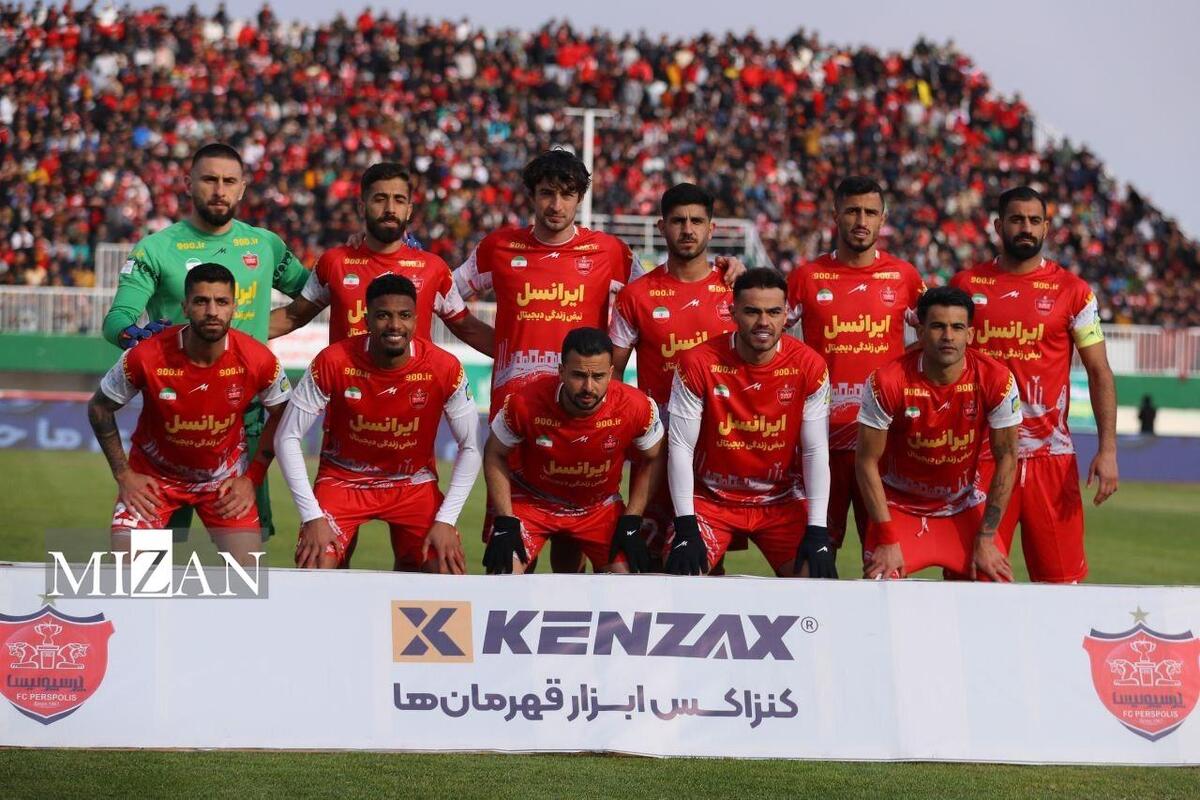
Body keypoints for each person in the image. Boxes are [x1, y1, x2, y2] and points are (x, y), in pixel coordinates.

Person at [101, 142, 310, 538]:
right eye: (209, 179)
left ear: (243, 188)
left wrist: (267, 328)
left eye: (229, 181)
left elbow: (314, 291)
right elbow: (118, 319)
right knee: (152, 552)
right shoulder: (156, 249)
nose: (219, 190)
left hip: (244, 415)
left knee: (244, 554)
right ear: (188, 183)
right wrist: (133, 336)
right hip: (174, 416)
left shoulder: (265, 245)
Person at [950, 186, 1118, 583]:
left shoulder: (1074, 292)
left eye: (1034, 220)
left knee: (1062, 586)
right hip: (981, 456)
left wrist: (1108, 449)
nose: (1025, 228)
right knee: (974, 583)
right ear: (998, 226)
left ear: (1046, 227)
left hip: (1050, 459)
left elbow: (1099, 371)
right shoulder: (966, 285)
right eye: (1016, 219)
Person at [273, 274, 480, 572]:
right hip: (343, 480)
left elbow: (471, 446)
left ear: (416, 319)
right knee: (316, 565)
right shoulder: (333, 361)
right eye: (383, 315)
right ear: (366, 319)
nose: (395, 325)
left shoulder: (444, 367)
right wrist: (312, 516)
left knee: (446, 569)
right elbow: (287, 437)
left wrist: (446, 520)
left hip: (412, 484)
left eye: (404, 315)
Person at [87, 264, 290, 564]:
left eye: (221, 301)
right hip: (153, 481)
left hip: (223, 483)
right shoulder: (146, 354)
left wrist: (252, 478)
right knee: (130, 573)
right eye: (201, 301)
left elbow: (284, 413)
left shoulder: (258, 358)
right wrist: (124, 475)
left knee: (248, 574)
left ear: (234, 307)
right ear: (185, 306)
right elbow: (99, 407)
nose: (212, 311)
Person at [786, 176, 926, 554]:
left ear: (883, 219)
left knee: (885, 558)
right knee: (814, 558)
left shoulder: (905, 277)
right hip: (820, 443)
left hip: (882, 444)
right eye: (852, 211)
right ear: (836, 216)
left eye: (870, 213)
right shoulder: (806, 278)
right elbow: (761, 332)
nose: (861, 221)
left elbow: (940, 336)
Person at [665, 268, 835, 578]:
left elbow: (814, 450)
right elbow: (680, 447)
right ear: (733, 313)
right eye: (752, 312)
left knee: (817, 580)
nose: (763, 322)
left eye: (773, 312)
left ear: (787, 315)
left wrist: (818, 530)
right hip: (711, 500)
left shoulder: (809, 366)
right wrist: (686, 527)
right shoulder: (698, 362)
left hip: (780, 500)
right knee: (683, 577)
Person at [608, 182, 740, 562]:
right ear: (662, 227)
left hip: (717, 448)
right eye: (678, 221)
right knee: (632, 562)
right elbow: (613, 376)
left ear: (711, 229)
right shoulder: (636, 296)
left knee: (703, 563)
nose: (687, 229)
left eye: (697, 221)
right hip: (657, 448)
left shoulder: (735, 291)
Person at [856, 286, 1021, 581]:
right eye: (937, 326)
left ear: (970, 334)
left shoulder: (997, 379)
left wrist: (986, 537)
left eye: (957, 327)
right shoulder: (887, 381)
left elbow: (1007, 457)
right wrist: (886, 536)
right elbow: (866, 461)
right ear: (920, 333)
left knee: (994, 583)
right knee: (881, 582)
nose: (948, 336)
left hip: (962, 507)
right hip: (899, 507)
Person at [481, 327, 665, 574]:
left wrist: (632, 519)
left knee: (627, 581)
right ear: (561, 371)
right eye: (578, 375)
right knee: (503, 572)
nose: (588, 387)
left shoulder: (636, 406)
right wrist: (505, 519)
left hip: (598, 509)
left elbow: (655, 457)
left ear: (611, 373)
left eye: (598, 376)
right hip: (534, 503)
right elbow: (494, 453)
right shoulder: (524, 402)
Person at [268, 162, 494, 353]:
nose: (390, 209)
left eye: (399, 200)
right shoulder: (334, 262)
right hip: (348, 390)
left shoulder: (433, 268)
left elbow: (468, 328)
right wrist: (244, 335)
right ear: (362, 207)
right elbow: (292, 317)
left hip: (412, 391)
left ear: (409, 210)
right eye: (380, 199)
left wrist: (513, 355)